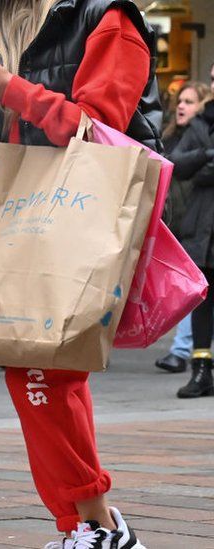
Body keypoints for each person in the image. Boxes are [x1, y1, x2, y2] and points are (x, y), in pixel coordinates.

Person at [0, 0, 160, 546]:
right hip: (37, 210)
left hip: (89, 213)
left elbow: (102, 131)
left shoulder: (108, 18)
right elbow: (4, 145)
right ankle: (94, 525)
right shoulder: (23, 24)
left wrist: (8, 88)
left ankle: (93, 524)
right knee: (46, 369)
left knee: (41, 369)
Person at [153, 81, 211, 375]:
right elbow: (175, 165)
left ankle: (182, 351)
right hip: (183, 220)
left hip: (196, 219)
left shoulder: (200, 130)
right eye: (181, 100)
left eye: (190, 101)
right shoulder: (176, 135)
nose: (182, 106)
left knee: (196, 289)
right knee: (195, 289)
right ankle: (187, 354)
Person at [170, 82, 214, 399]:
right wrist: (208, 154)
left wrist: (202, 165)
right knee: (203, 302)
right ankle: (201, 372)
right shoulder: (201, 122)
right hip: (203, 224)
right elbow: (179, 164)